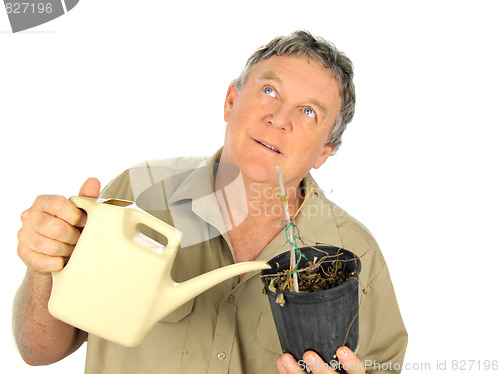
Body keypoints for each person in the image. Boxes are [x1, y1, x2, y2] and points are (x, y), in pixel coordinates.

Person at [13, 31, 407, 373]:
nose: (279, 118)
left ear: (325, 151)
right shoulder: (136, 196)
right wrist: (44, 268)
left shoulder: (358, 258)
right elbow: (39, 352)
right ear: (231, 102)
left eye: (308, 112)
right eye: (269, 90)